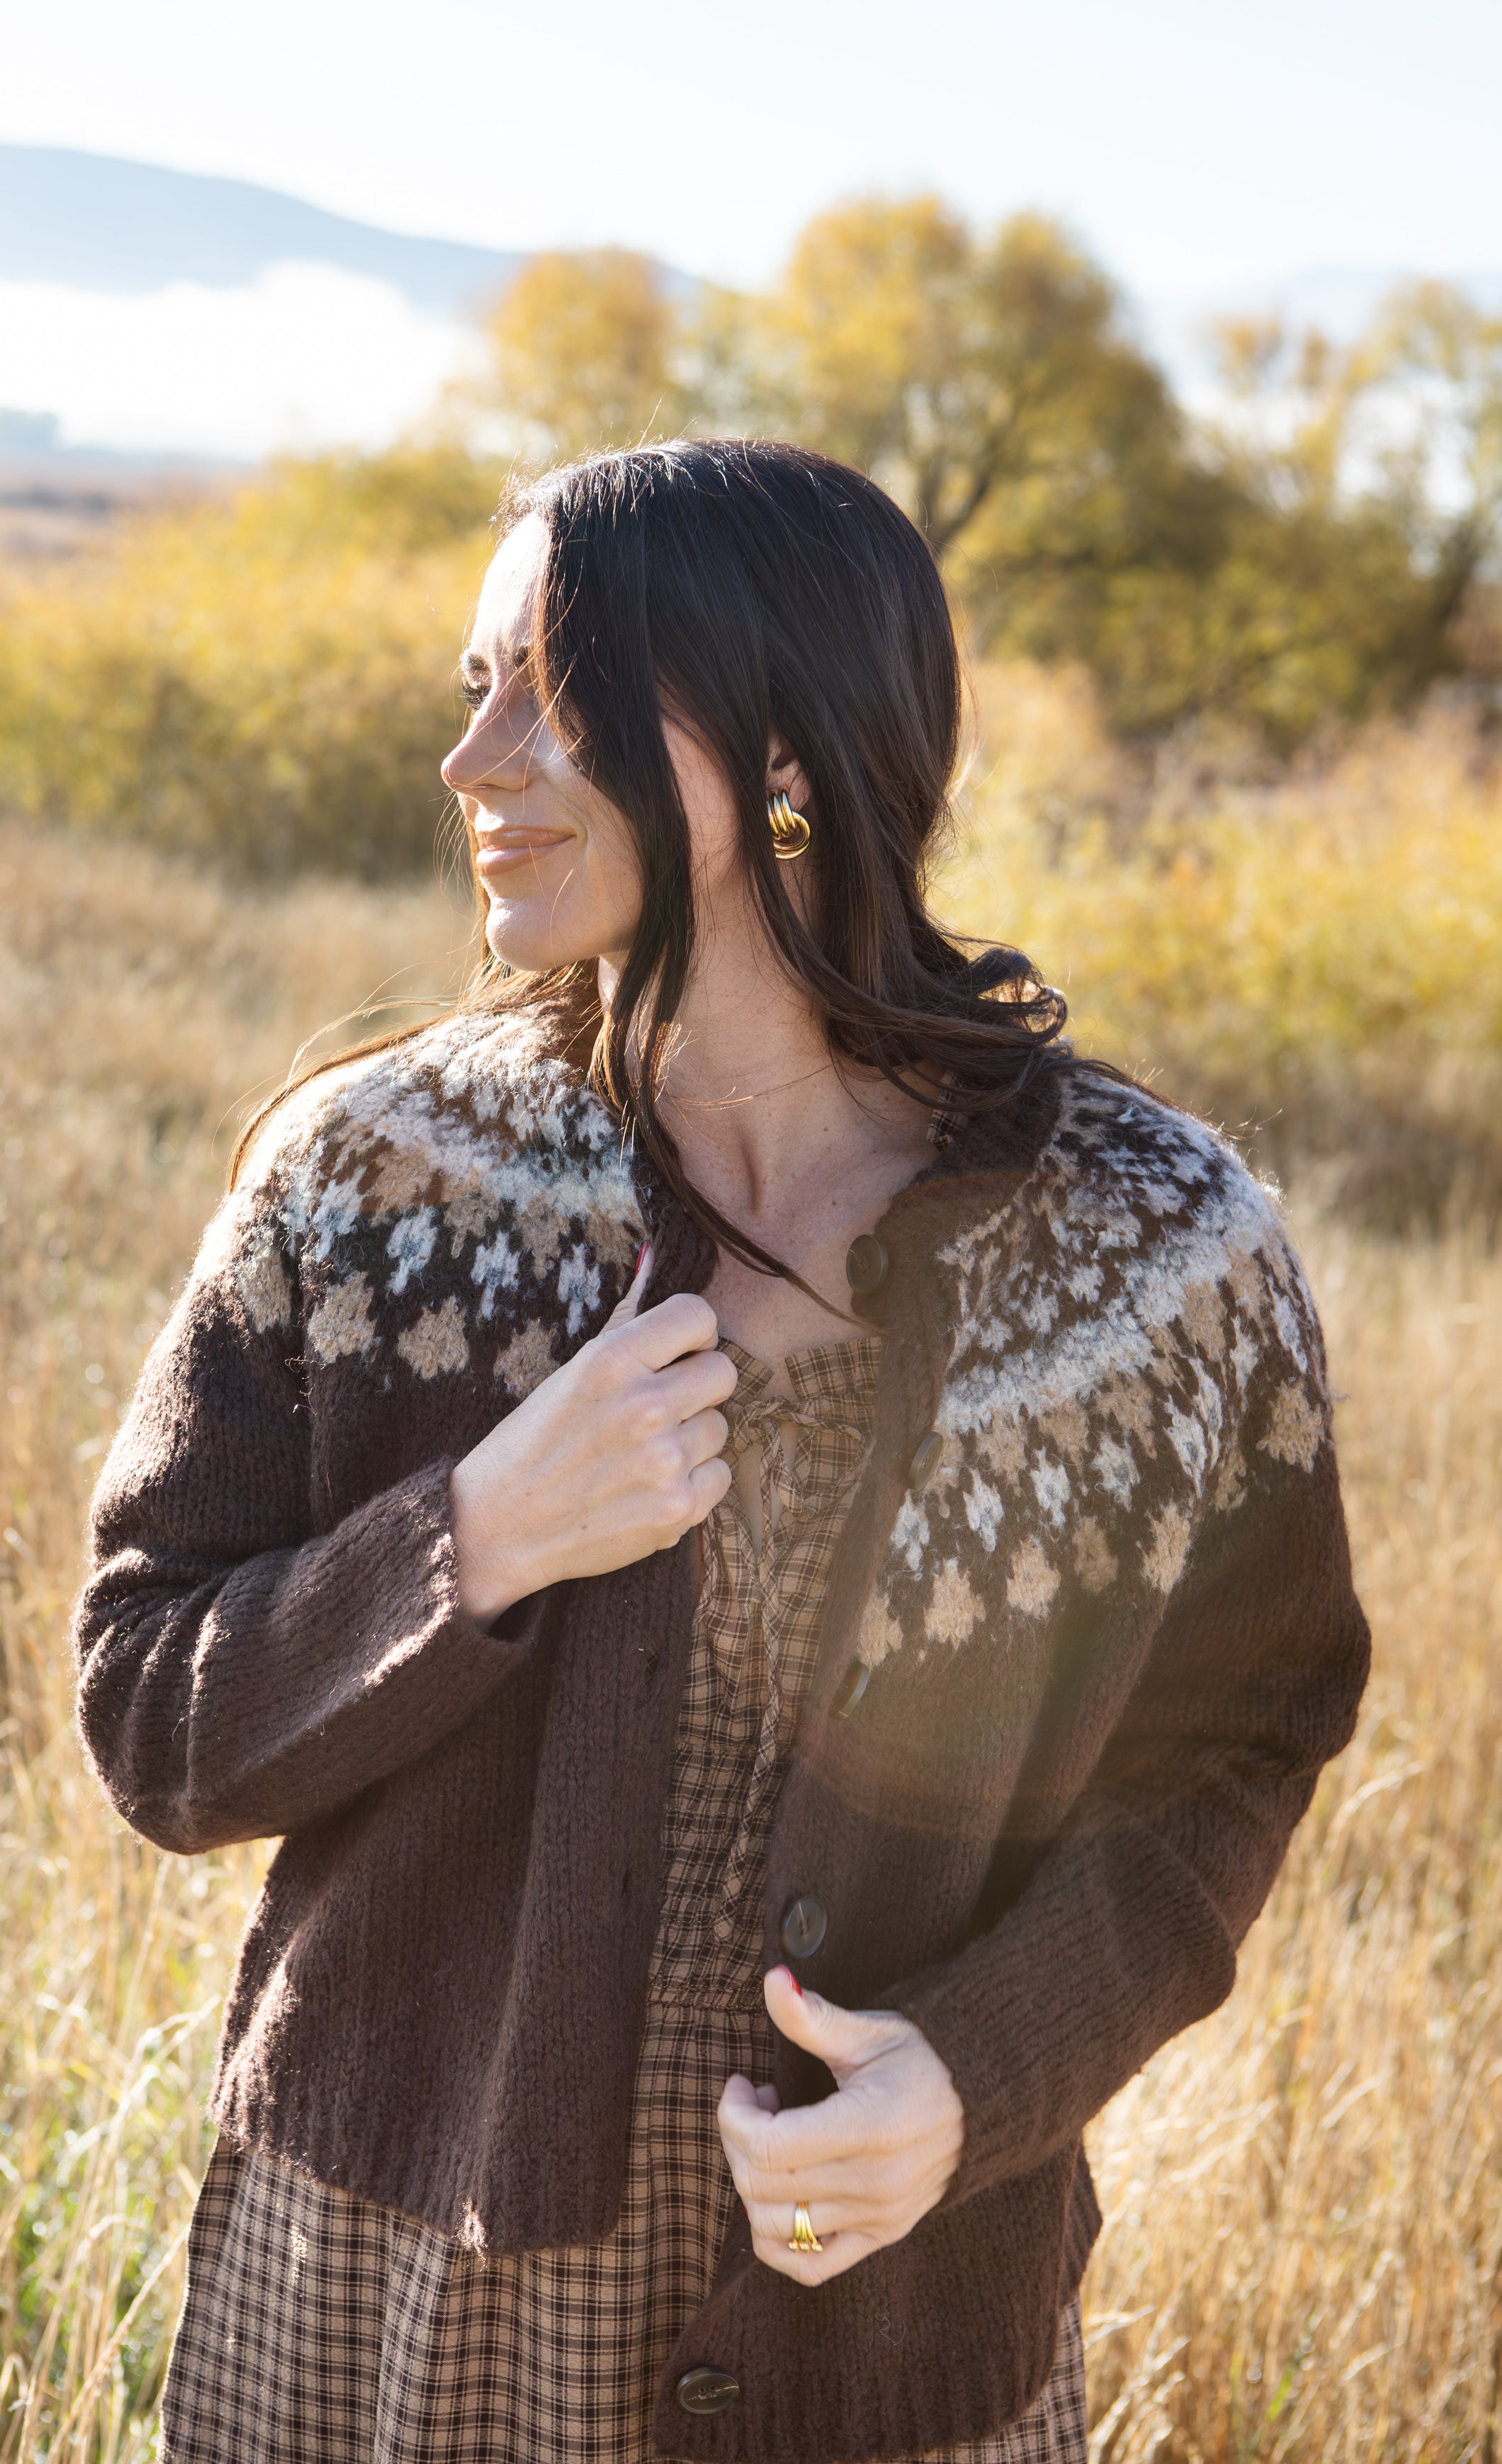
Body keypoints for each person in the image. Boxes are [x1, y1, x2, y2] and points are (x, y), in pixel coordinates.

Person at [73, 439, 1369, 2464]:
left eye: (549, 689)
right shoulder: (375, 1185)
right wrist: (472, 1542)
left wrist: (976, 2078)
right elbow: (149, 1710)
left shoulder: (1160, 1260)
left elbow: (1236, 1755)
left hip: (895, 2339)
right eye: (467, 687)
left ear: (786, 743)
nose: (471, 758)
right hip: (397, 2317)